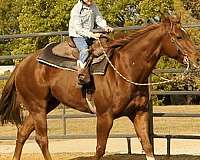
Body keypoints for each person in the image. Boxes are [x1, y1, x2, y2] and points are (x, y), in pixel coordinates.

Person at [68, 0, 113, 84]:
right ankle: (81, 73)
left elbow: (99, 19)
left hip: (90, 33)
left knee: (107, 43)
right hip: (78, 35)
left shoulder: (93, 6)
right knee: (84, 51)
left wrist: (105, 26)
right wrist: (93, 35)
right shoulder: (76, 9)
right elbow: (78, 29)